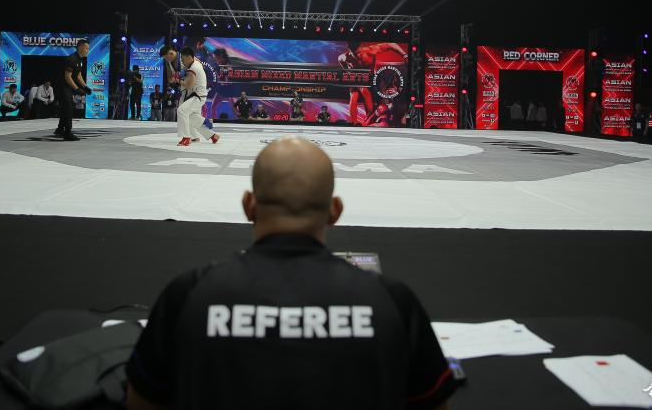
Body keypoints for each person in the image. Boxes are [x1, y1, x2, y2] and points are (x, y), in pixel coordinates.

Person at [125, 137, 460, 410]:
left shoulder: (188, 295)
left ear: (248, 206)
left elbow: (142, 401)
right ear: (335, 211)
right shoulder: (393, 303)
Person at [175, 47, 220, 146]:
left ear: (188, 57)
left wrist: (178, 80)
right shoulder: (196, 63)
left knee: (181, 111)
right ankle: (212, 135)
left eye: (183, 59)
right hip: (198, 95)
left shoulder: (193, 68)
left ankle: (186, 138)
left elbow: (188, 86)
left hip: (197, 96)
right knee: (191, 117)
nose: (182, 62)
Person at [55, 39, 91, 141]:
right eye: (86, 48)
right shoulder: (71, 59)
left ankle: (60, 129)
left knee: (66, 108)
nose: (87, 50)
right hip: (62, 86)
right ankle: (68, 132)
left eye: (88, 48)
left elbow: (78, 75)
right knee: (68, 108)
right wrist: (77, 89)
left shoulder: (80, 60)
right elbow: (67, 77)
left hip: (67, 87)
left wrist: (85, 87)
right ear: (80, 47)